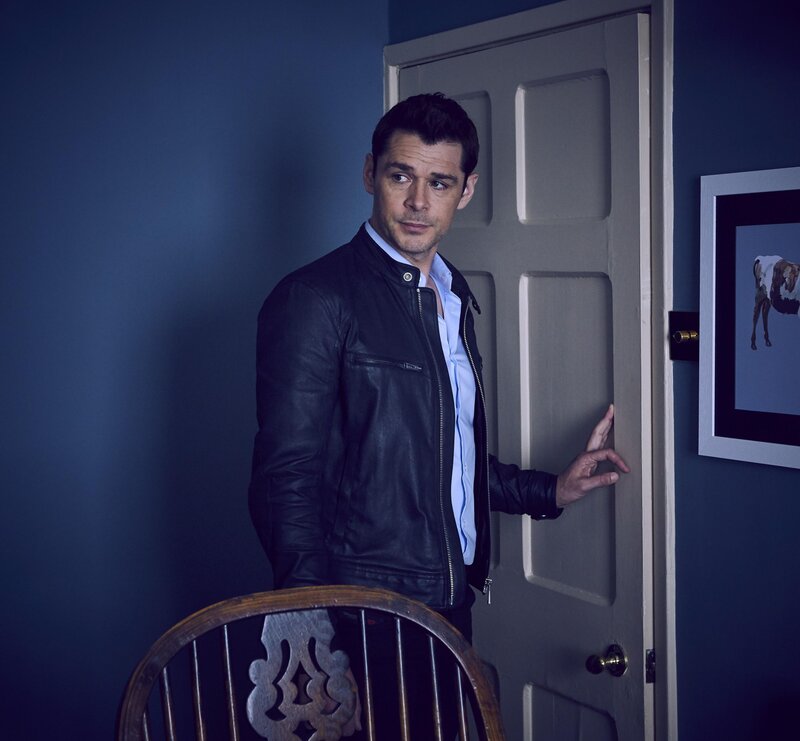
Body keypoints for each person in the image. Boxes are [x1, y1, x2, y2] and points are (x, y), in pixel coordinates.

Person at [248, 93, 629, 737]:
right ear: (370, 173)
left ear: (466, 190)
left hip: (448, 602)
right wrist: (311, 627)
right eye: (401, 176)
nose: (419, 202)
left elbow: (441, 459)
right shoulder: (314, 298)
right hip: (360, 612)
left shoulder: (451, 296)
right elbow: (284, 477)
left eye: (440, 182)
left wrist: (551, 490)